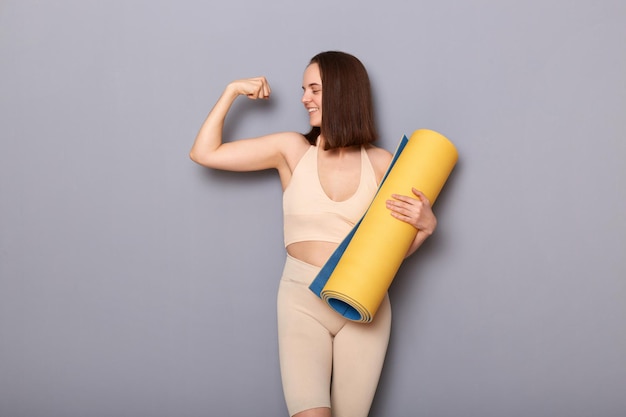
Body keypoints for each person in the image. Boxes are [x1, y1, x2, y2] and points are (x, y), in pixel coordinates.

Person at [190, 51, 437, 417]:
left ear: (341, 92)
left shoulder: (384, 164)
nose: (304, 98)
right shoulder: (292, 150)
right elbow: (204, 153)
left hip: (364, 303)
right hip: (301, 300)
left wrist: (426, 228)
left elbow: (392, 252)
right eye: (304, 89)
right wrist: (231, 91)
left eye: (314, 89)